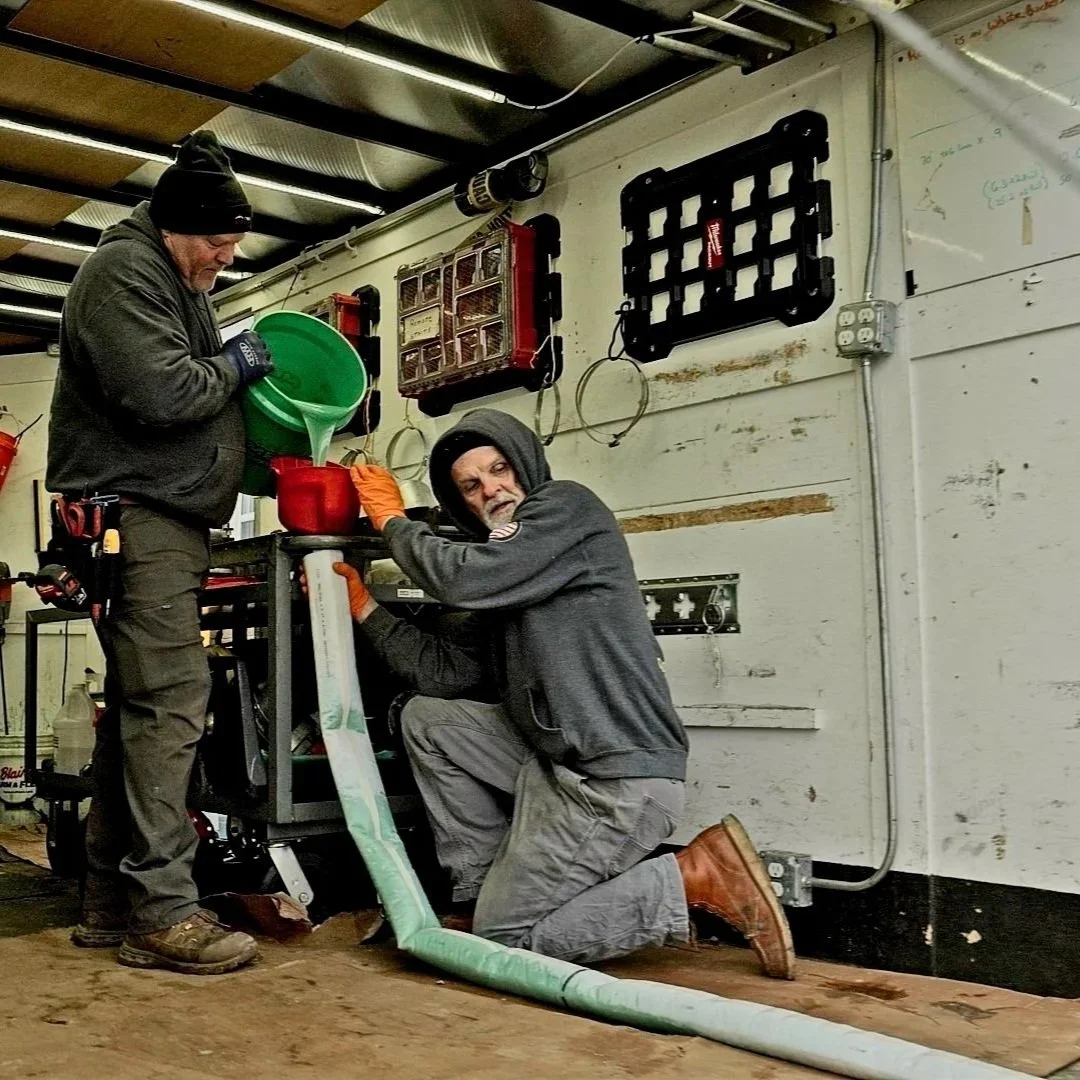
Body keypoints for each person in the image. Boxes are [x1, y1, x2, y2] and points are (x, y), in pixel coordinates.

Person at [335, 408, 795, 977]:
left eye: (500, 469)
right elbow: (447, 675)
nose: (491, 489)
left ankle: (688, 878)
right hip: (559, 766)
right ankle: (478, 893)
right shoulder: (505, 571)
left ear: (525, 466)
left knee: (506, 940)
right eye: (471, 486)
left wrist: (390, 520)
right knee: (428, 719)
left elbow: (461, 576)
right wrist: (363, 608)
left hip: (616, 781)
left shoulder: (566, 508)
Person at [46, 131, 274, 975]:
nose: (227, 254)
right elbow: (162, 391)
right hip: (136, 516)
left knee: (141, 710)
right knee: (173, 698)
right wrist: (238, 363)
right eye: (216, 240)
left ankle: (113, 902)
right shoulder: (124, 273)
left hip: (159, 515)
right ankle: (164, 913)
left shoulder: (173, 273)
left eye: (232, 240)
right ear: (175, 225)